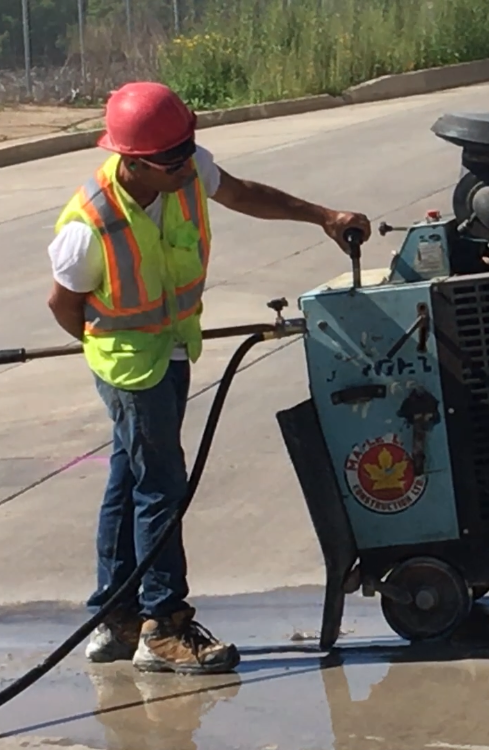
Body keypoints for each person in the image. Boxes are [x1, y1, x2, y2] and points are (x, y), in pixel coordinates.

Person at [45, 81, 371, 675]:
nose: (185, 165)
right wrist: (112, 354)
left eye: (187, 149)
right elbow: (64, 307)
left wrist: (322, 216)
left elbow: (242, 192)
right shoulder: (90, 226)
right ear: (133, 162)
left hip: (169, 349)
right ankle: (163, 625)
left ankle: (115, 616)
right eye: (171, 159)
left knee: (129, 479)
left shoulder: (185, 167)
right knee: (161, 489)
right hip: (130, 366)